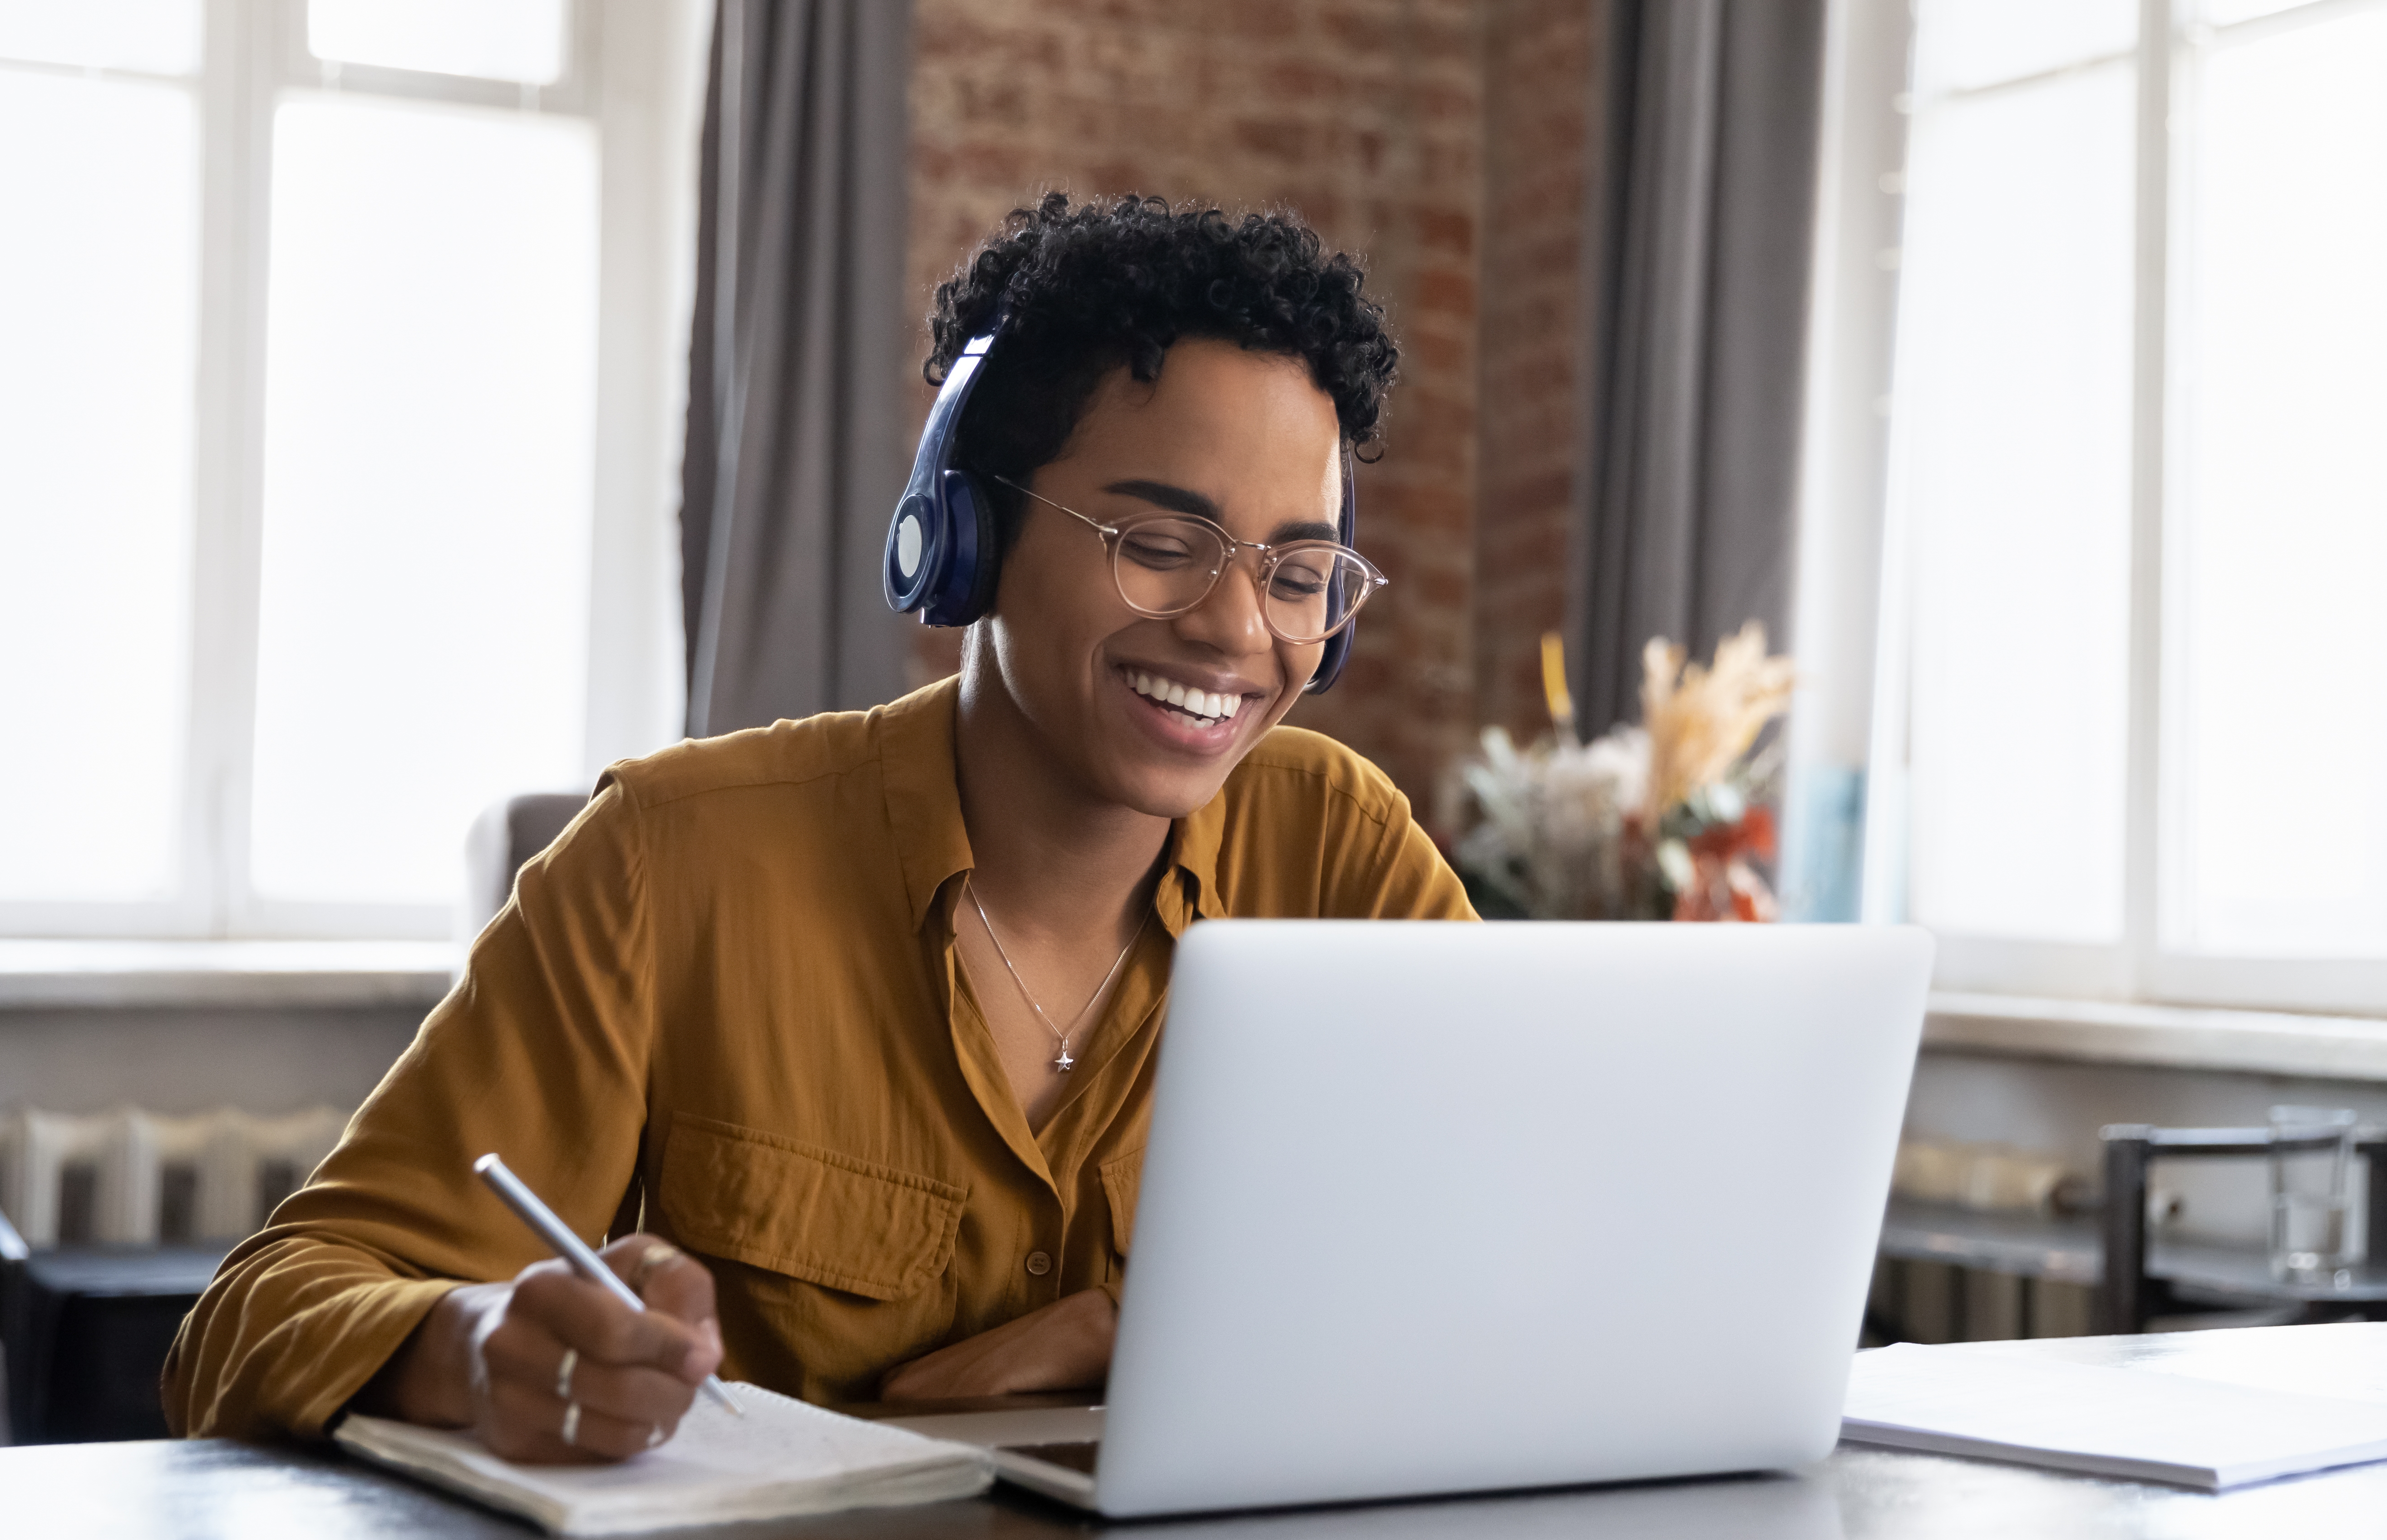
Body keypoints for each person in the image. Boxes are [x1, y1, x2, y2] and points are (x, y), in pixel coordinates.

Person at [163, 195, 1475, 1457]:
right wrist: (483, 1339)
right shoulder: (669, 862)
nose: (1239, 632)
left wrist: (1146, 1334)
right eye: (1158, 540)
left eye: (1298, 575)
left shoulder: (1340, 855)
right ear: (961, 533)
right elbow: (256, 1314)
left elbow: (1521, 1254)